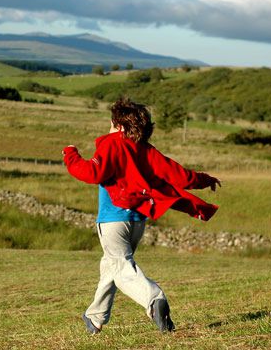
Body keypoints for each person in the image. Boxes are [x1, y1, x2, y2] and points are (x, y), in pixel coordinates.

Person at [62, 98, 221, 334]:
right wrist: (205, 179)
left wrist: (70, 155)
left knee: (122, 268)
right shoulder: (147, 149)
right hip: (137, 222)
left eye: (112, 123)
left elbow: (92, 172)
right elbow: (181, 176)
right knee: (112, 266)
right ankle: (95, 317)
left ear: (121, 127)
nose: (110, 127)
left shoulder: (113, 144)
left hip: (113, 220)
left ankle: (153, 299)